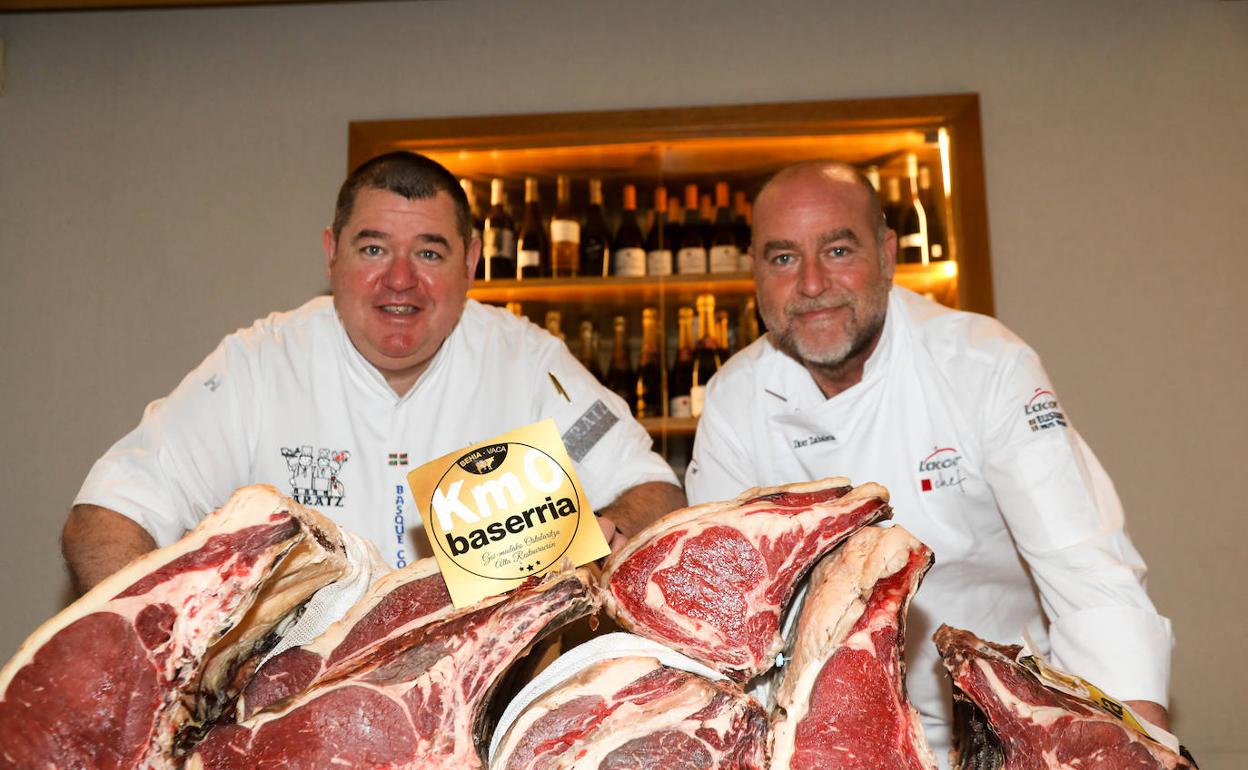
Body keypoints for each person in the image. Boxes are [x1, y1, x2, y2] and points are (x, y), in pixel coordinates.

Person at [684, 162, 1173, 760]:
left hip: (1008, 721)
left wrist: (1133, 747)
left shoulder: (984, 367)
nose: (811, 283)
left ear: (888, 256)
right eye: (783, 258)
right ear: (755, 271)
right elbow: (728, 621)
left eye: (838, 250)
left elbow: (1087, 573)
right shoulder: (736, 399)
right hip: (824, 733)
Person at [65, 151, 686, 593]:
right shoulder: (259, 365)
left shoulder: (528, 364)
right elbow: (106, 515)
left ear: (470, 262)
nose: (399, 280)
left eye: (429, 252)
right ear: (331, 253)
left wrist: (610, 531)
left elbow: (655, 493)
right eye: (373, 248)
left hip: (472, 695)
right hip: (289, 705)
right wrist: (159, 649)